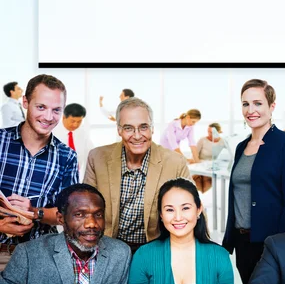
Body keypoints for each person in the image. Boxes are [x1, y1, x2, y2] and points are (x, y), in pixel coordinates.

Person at [0, 184, 131, 284]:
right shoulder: (28, 254)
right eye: (79, 214)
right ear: (61, 218)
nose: (92, 224)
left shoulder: (120, 253)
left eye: (98, 215)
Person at [222, 79, 285, 284]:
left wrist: (279, 246)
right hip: (242, 243)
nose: (251, 110)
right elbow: (236, 196)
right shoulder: (241, 147)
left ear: (271, 106)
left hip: (271, 244)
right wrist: (228, 242)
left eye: (258, 103)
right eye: (245, 104)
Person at [84, 97, 191, 254]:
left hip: (157, 248)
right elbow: (86, 210)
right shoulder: (97, 157)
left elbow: (191, 211)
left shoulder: (175, 163)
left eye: (143, 127)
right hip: (108, 247)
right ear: (119, 130)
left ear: (152, 129)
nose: (137, 135)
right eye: (128, 128)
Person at [125, 178, 235, 284]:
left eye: (185, 208)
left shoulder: (220, 256)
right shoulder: (144, 255)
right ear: (161, 215)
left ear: (199, 210)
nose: (178, 217)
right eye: (170, 210)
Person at [0, 75, 78, 271]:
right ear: (25, 102)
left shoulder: (66, 156)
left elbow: (66, 215)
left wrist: (34, 212)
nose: (48, 117)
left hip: (40, 259)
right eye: (41, 107)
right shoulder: (1, 142)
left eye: (56, 110)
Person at [52, 103, 94, 180]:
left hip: (74, 176)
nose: (75, 125)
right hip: (54, 175)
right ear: (64, 118)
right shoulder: (52, 132)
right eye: (73, 121)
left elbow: (91, 152)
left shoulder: (82, 134)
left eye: (79, 122)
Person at [193, 122, 226, 193]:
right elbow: (195, 154)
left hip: (212, 166)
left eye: (211, 132)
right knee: (198, 180)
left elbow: (226, 155)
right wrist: (198, 163)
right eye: (208, 132)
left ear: (218, 132)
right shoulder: (202, 140)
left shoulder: (223, 141)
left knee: (207, 181)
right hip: (200, 164)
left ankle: (204, 197)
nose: (209, 134)